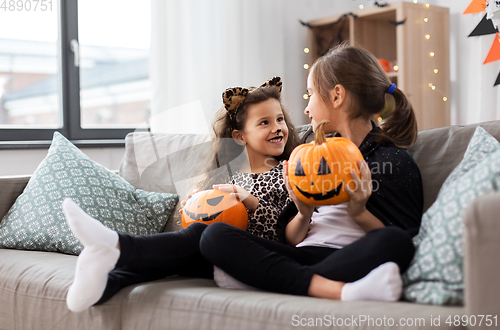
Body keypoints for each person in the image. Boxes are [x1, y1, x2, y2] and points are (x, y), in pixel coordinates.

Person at [198, 44, 424, 301]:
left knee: (396, 242)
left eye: (311, 95)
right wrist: (303, 210)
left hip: (347, 257)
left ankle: (266, 278)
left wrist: (359, 213)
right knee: (214, 236)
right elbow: (290, 241)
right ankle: (329, 289)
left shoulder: (391, 160)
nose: (306, 109)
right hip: (303, 255)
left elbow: (406, 238)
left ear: (337, 96)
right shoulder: (311, 154)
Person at [62, 76, 300, 312]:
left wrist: (249, 201)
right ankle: (103, 284)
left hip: (256, 258)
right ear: (239, 136)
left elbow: (286, 236)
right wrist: (194, 207)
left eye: (280, 119)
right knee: (169, 257)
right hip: (216, 256)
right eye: (264, 123)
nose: (277, 127)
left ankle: (115, 244)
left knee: (198, 234)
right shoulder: (227, 175)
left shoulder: (288, 173)